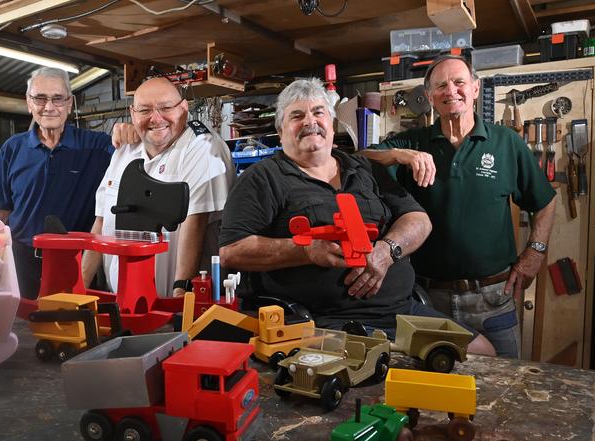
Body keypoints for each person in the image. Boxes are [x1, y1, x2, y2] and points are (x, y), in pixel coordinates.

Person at [219, 78, 495, 355]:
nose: (309, 121)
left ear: (332, 123)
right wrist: (304, 251)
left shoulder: (363, 168)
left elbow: (418, 220)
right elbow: (232, 251)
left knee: (481, 351)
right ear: (280, 131)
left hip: (400, 312)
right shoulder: (263, 178)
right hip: (321, 324)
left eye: (318, 112)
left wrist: (388, 251)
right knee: (379, 369)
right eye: (297, 116)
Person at [363, 55, 556, 358]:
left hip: (493, 298)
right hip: (429, 301)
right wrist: (401, 155)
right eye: (440, 85)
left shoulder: (506, 143)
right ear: (429, 97)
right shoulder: (414, 142)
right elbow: (360, 158)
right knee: (436, 396)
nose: (450, 90)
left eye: (459, 82)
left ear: (475, 89)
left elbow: (545, 201)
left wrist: (536, 252)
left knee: (504, 390)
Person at [82, 77, 235, 297]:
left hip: (173, 306)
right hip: (121, 303)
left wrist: (179, 299)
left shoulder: (202, 147)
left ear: (184, 108)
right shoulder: (124, 152)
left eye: (165, 108)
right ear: (132, 113)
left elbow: (196, 223)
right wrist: (78, 291)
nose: (156, 118)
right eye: (145, 110)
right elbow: (101, 222)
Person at [0, 67, 114, 299]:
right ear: (28, 103)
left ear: (69, 103)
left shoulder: (97, 147)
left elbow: (132, 149)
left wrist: (125, 131)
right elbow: (0, 213)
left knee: (71, 325)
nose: (49, 107)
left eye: (58, 98)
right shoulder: (12, 149)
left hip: (75, 261)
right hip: (21, 263)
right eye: (40, 98)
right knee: (22, 325)